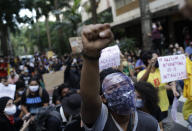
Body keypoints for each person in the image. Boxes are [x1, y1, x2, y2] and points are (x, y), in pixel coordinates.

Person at [80, 24, 160, 131]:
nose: (121, 90)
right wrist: (91, 55)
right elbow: (89, 99)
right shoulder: (100, 120)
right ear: (103, 98)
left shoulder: (151, 124)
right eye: (113, 88)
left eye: (124, 84)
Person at [137, 51, 179, 130]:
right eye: (156, 58)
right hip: (153, 108)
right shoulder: (141, 74)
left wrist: (173, 89)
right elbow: (140, 83)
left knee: (170, 125)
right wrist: (150, 66)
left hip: (165, 106)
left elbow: (170, 82)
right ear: (149, 60)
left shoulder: (161, 71)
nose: (159, 60)